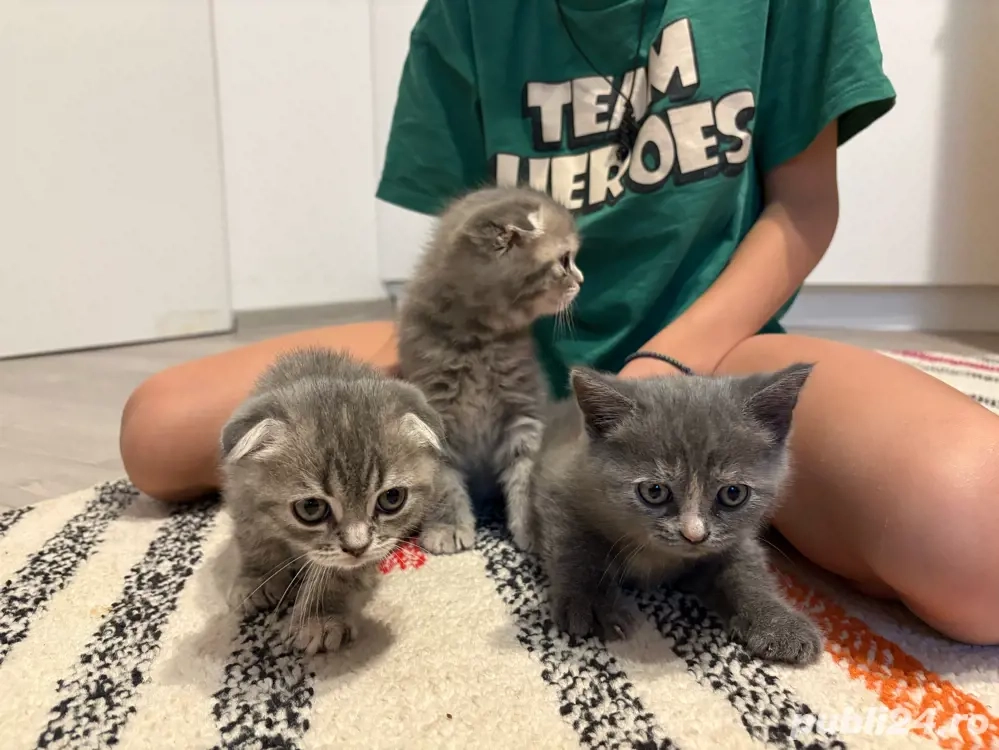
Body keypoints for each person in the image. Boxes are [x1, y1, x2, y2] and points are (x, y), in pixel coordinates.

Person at [119, 0, 999, 645]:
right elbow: (457, 257)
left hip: (712, 351)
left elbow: (800, 213)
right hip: (503, 352)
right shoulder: (464, 18)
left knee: (977, 547)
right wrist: (426, 370)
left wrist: (659, 373)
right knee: (160, 432)